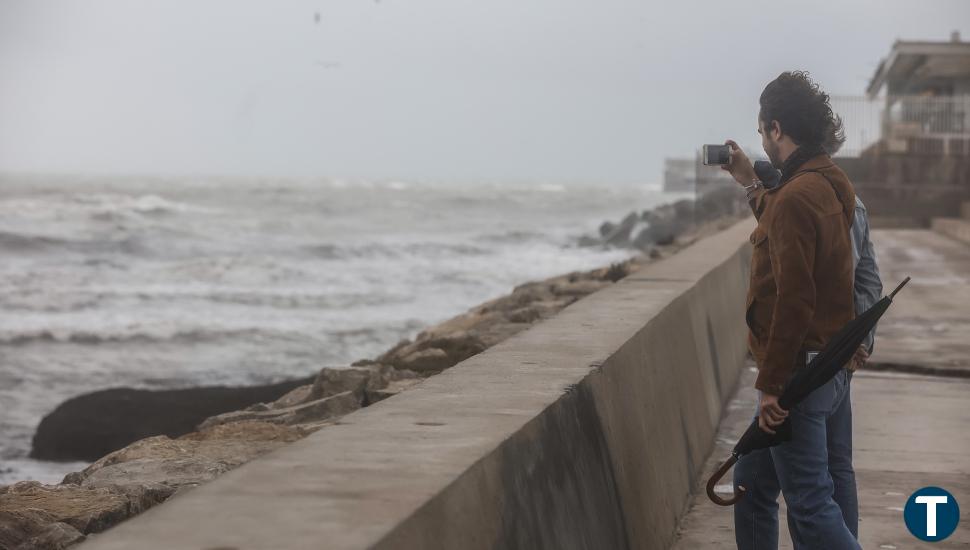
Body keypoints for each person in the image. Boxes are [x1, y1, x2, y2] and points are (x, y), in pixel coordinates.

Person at [721, 71, 866, 550]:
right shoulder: (831, 182)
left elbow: (794, 301)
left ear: (776, 129)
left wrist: (771, 387)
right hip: (831, 365)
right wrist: (749, 183)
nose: (762, 138)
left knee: (809, 503)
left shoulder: (796, 197)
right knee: (751, 481)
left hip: (798, 378)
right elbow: (787, 223)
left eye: (763, 130)